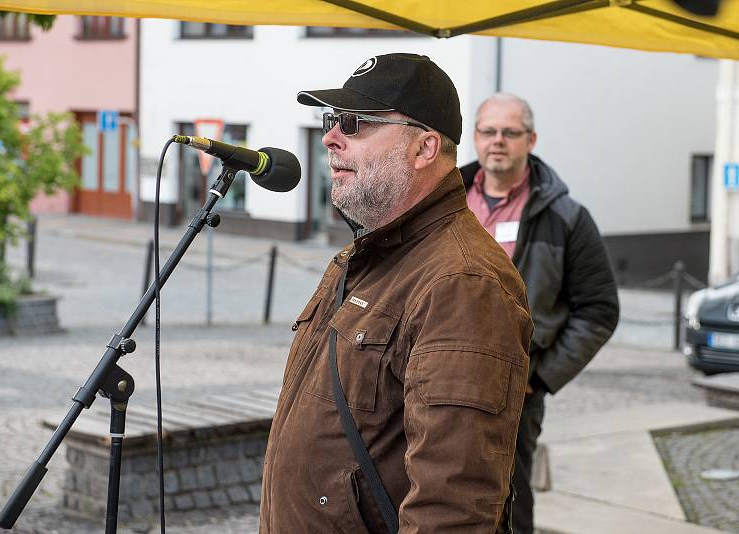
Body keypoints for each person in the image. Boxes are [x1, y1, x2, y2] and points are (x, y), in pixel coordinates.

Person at [259, 53, 533, 533]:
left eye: (356, 123)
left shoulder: (463, 283)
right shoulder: (365, 256)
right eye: (331, 120)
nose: (330, 137)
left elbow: (453, 506)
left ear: (424, 147)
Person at [460, 93, 620, 533]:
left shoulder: (566, 218)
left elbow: (599, 310)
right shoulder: (444, 204)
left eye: (510, 133)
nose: (498, 142)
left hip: (515, 390)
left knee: (508, 500)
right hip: (435, 376)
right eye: (488, 131)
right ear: (474, 137)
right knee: (435, 491)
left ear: (531, 139)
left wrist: (541, 377)